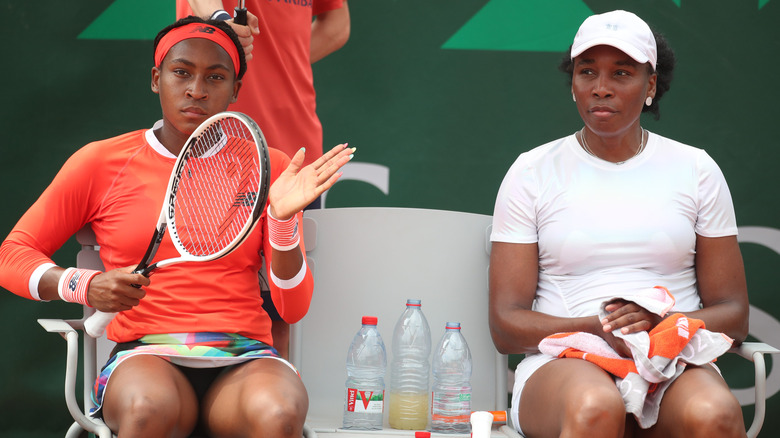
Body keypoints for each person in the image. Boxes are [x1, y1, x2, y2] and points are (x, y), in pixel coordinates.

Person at [0, 16, 354, 437]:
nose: (196, 90)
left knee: (278, 415)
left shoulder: (268, 166)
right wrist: (82, 285)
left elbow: (293, 308)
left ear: (235, 90)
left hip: (245, 356)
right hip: (146, 354)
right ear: (156, 78)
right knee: (147, 410)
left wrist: (280, 222)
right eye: (181, 72)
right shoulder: (99, 162)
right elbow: (11, 255)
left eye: (216, 77)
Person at [488, 10, 749, 438]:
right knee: (594, 408)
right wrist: (598, 330)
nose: (601, 88)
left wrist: (659, 325)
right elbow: (505, 325)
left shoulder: (696, 169)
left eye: (622, 73)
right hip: (566, 359)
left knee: (714, 415)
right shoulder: (531, 171)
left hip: (672, 357)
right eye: (586, 71)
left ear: (650, 85)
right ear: (573, 84)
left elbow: (734, 315)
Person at [178, 0, 351, 358]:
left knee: (280, 314)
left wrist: (280, 64)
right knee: (203, 309)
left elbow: (337, 25)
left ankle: (268, 403)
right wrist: (220, 19)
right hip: (214, 149)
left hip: (294, 157)